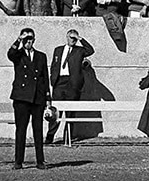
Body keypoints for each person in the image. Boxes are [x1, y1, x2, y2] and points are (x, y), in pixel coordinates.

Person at [8, 27, 50, 170]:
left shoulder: (41, 56)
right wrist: (18, 40)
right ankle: (18, 161)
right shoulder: (18, 55)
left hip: (37, 97)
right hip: (22, 97)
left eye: (30, 39)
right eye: (26, 40)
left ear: (34, 40)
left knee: (38, 130)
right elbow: (10, 54)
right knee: (21, 130)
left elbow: (45, 77)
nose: (28, 42)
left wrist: (47, 97)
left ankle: (40, 161)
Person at [45, 30, 95, 145]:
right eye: (71, 37)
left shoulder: (79, 51)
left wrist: (80, 38)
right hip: (60, 82)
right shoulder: (58, 50)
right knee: (55, 112)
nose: (73, 40)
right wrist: (53, 79)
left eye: (74, 38)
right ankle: (50, 136)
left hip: (72, 83)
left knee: (70, 112)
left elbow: (91, 50)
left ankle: (67, 137)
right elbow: (54, 65)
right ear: (66, 37)